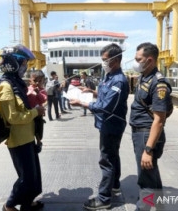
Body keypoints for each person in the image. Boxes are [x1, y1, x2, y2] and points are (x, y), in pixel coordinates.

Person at [0, 45, 45, 211]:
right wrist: (35, 112)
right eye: (23, 63)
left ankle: (28, 202)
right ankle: (9, 205)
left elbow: (21, 108)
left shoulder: (17, 84)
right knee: (26, 178)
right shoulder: (7, 87)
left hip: (28, 136)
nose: (26, 67)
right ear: (13, 64)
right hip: (18, 140)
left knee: (34, 175)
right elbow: (13, 117)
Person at [70, 43, 129, 210]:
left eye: (105, 60)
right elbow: (104, 95)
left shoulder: (118, 80)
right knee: (113, 155)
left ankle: (104, 199)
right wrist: (91, 92)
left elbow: (105, 107)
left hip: (111, 125)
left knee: (106, 160)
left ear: (115, 60)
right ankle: (115, 185)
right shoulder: (108, 76)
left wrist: (82, 103)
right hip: (106, 124)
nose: (102, 63)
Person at [129, 42, 172, 210]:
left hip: (147, 135)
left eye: (138, 59)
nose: (135, 62)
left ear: (150, 60)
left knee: (145, 180)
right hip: (141, 133)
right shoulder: (144, 76)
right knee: (152, 174)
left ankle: (143, 208)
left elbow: (159, 120)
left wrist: (148, 150)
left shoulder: (158, 83)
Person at [27, 70, 47, 153]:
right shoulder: (28, 89)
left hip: (38, 114)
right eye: (35, 81)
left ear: (43, 81)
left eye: (40, 81)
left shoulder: (42, 90)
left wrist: (38, 93)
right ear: (30, 81)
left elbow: (43, 100)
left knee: (38, 129)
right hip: (30, 113)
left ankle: (39, 141)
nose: (38, 83)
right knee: (31, 129)